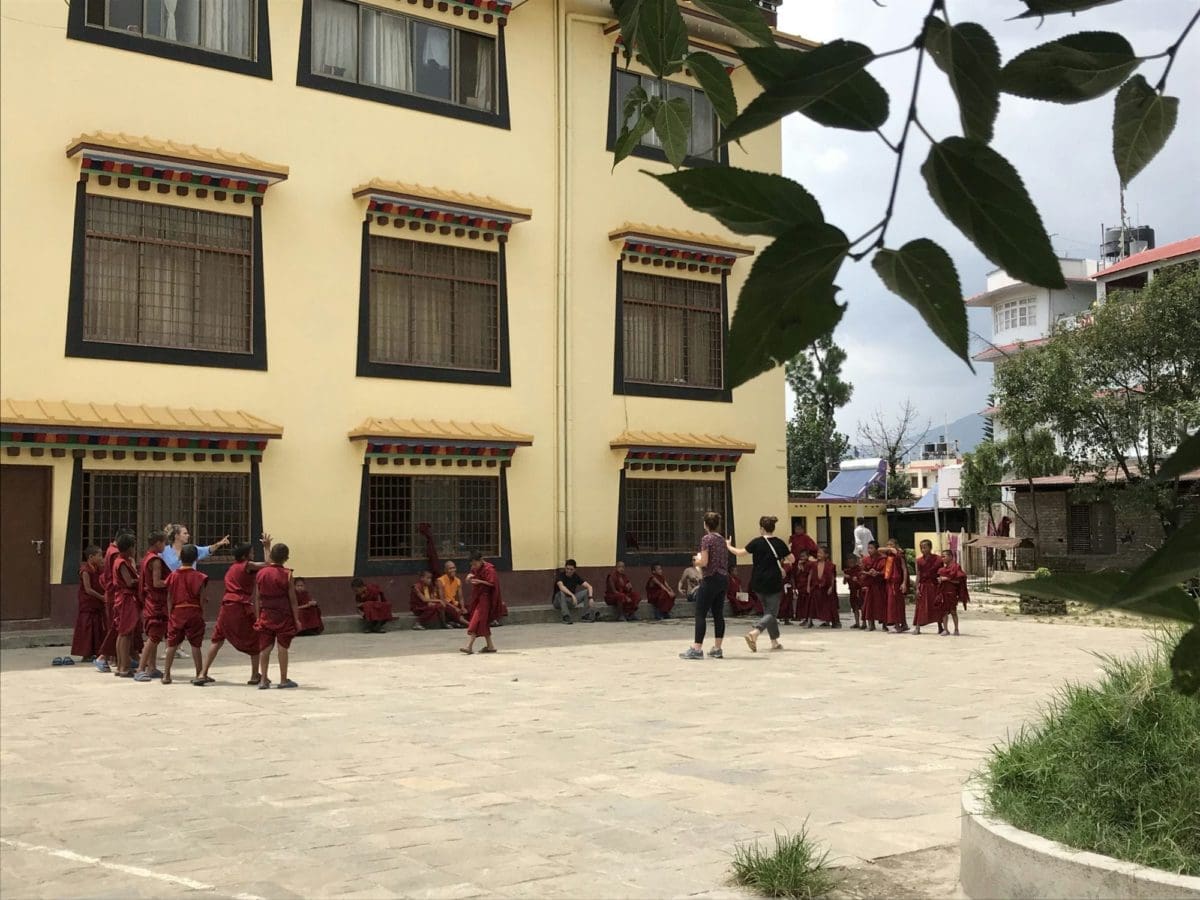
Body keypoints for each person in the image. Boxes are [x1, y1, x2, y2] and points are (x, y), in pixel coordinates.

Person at [196, 537, 271, 686]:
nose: (253, 555)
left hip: (226, 606)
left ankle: (202, 673)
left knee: (217, 639)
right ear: (245, 555)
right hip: (240, 606)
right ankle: (255, 674)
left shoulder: (232, 568)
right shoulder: (247, 565)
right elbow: (268, 565)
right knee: (255, 639)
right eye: (251, 552)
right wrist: (267, 547)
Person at [727, 515, 793, 653]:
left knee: (768, 612)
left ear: (761, 528)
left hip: (757, 582)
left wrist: (728, 545)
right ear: (772, 528)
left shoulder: (756, 542)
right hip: (773, 582)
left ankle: (774, 642)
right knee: (772, 613)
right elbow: (791, 559)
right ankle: (755, 632)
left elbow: (739, 553)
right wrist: (783, 560)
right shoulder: (779, 543)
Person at [679, 511, 729, 660]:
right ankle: (717, 648)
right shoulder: (722, 540)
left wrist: (697, 560)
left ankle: (697, 648)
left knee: (700, 613)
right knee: (718, 614)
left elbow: (705, 562)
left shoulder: (707, 539)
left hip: (710, 578)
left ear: (705, 525)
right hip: (723, 578)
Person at [255, 543, 302, 688]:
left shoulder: (261, 573)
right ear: (286, 558)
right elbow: (293, 600)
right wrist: (297, 619)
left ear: (271, 556)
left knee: (265, 648)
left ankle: (263, 679)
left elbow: (257, 598)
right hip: (283, 614)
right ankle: (283, 679)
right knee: (282, 647)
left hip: (266, 613)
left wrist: (258, 617)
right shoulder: (287, 574)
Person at [162, 544, 208, 685]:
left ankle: (166, 675)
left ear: (180, 558)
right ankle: (199, 673)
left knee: (172, 644)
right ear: (195, 559)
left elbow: (169, 597)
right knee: (195, 644)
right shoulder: (200, 577)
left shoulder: (173, 576)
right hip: (193, 611)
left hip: (177, 611)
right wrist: (201, 612)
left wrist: (171, 613)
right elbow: (202, 598)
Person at [133, 531, 169, 681]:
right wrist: (173, 581)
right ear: (157, 543)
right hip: (156, 602)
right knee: (154, 636)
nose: (165, 546)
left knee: (155, 636)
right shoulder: (155, 561)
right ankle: (141, 669)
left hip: (150, 600)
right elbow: (157, 582)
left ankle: (152, 667)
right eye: (164, 543)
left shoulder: (146, 558)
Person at [111, 531, 140, 678]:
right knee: (125, 633)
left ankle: (121, 666)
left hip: (122, 598)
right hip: (125, 599)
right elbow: (129, 582)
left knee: (122, 633)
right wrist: (141, 580)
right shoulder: (121, 562)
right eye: (134, 547)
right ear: (129, 548)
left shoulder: (121, 560)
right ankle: (123, 667)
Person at [461, 550, 501, 654]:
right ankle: (490, 646)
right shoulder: (475, 568)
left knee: (476, 620)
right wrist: (468, 578)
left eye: (475, 564)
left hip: (486, 598)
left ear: (481, 560)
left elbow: (492, 584)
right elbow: (471, 576)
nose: (474, 566)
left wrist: (479, 581)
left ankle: (469, 646)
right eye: (472, 565)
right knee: (483, 622)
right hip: (477, 597)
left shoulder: (489, 569)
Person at [71, 546, 106, 662]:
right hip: (88, 602)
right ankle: (86, 653)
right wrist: (101, 597)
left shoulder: (98, 568)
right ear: (91, 557)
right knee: (87, 628)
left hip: (97, 604)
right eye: (99, 555)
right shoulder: (85, 570)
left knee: (97, 627)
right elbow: (88, 589)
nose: (102, 558)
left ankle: (96, 651)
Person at [161, 524, 230, 572]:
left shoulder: (191, 549)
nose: (188, 535)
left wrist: (219, 544)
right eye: (185, 533)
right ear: (177, 536)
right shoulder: (164, 551)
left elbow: (208, 549)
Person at [911, 540, 943, 636]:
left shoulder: (938, 559)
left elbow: (940, 573)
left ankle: (940, 627)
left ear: (930, 547)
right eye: (921, 547)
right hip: (923, 586)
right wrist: (916, 588)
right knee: (920, 607)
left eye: (925, 547)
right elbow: (918, 575)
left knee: (936, 606)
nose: (923, 549)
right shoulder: (919, 561)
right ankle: (917, 627)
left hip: (934, 585)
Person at [553, 559, 598, 624]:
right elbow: (561, 587)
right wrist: (572, 595)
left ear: (574, 570)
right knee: (561, 593)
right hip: (558, 602)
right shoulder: (560, 576)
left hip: (570, 601)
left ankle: (585, 615)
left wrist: (591, 598)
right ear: (565, 568)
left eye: (571, 569)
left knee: (587, 591)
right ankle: (566, 616)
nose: (569, 571)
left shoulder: (575, 576)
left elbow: (589, 587)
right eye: (567, 569)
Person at [937, 550, 969, 636]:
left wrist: (946, 579)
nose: (942, 558)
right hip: (943, 592)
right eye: (942, 556)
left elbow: (959, 581)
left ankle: (956, 629)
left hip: (951, 592)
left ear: (951, 557)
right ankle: (946, 630)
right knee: (943, 612)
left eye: (944, 556)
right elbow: (940, 579)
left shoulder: (956, 567)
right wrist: (940, 580)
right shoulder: (942, 569)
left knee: (953, 611)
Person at [859, 541, 888, 632]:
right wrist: (868, 573)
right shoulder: (865, 560)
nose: (869, 550)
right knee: (869, 605)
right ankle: (871, 625)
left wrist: (877, 573)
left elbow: (886, 572)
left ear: (876, 549)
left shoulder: (883, 559)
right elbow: (861, 571)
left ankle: (884, 625)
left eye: (871, 548)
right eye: (868, 548)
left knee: (882, 605)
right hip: (870, 586)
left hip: (880, 586)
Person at [884, 539, 910, 633]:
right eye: (887, 545)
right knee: (893, 604)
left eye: (891, 545)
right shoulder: (889, 555)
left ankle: (898, 626)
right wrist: (891, 549)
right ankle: (903, 624)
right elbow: (879, 549)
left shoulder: (900, 555)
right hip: (890, 581)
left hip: (897, 582)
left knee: (895, 604)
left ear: (896, 545)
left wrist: (904, 583)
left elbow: (904, 569)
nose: (889, 546)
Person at [809, 546, 839, 627]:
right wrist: (808, 586)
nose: (818, 554)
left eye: (821, 553)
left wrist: (831, 587)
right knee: (812, 604)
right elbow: (810, 575)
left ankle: (834, 622)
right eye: (818, 553)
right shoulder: (814, 564)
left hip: (827, 588)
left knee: (830, 605)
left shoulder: (830, 565)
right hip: (816, 586)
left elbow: (832, 577)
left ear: (826, 555)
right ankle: (810, 621)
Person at [436, 561, 471, 627]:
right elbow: (442, 599)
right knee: (454, 611)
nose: (453, 570)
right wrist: (455, 608)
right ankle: (470, 624)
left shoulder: (458, 581)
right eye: (450, 568)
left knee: (469, 608)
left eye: (454, 568)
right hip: (445, 604)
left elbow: (460, 597)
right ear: (445, 570)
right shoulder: (440, 581)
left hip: (454, 603)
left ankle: (459, 623)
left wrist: (463, 607)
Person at [792, 549, 813, 627]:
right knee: (802, 605)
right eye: (801, 556)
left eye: (804, 556)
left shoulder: (810, 564)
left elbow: (809, 574)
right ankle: (805, 619)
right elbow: (796, 575)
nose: (802, 558)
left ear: (808, 557)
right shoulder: (798, 564)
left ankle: (809, 620)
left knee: (808, 604)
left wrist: (801, 567)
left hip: (807, 586)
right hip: (800, 586)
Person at [843, 555, 864, 629]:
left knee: (861, 607)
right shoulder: (847, 570)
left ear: (855, 562)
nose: (850, 563)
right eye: (849, 562)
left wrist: (856, 579)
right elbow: (844, 582)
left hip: (859, 590)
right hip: (852, 591)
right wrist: (845, 577)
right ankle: (857, 623)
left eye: (852, 561)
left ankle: (864, 623)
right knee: (855, 608)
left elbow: (861, 581)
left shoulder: (859, 569)